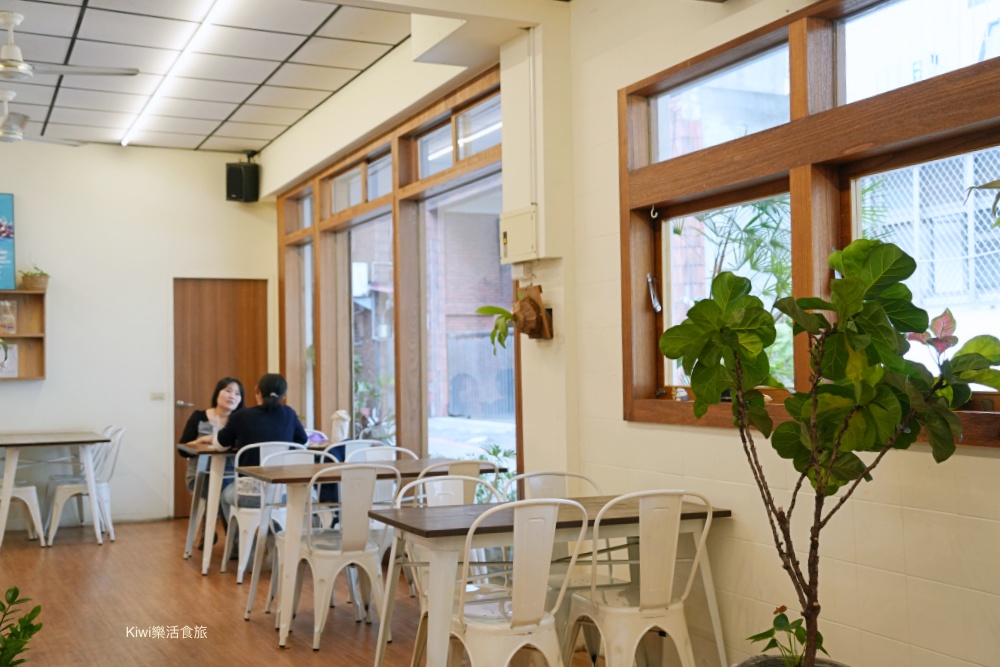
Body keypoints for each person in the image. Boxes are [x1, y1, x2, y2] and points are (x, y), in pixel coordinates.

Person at [216, 373, 307, 519]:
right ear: (283, 396)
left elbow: (220, 445)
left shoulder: (241, 416)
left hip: (248, 493)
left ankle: (238, 540)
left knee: (225, 497)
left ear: (257, 390)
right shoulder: (289, 414)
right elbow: (303, 442)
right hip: (282, 492)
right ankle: (274, 534)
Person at [179, 376, 245, 494]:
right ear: (217, 393)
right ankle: (222, 512)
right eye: (228, 391)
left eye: (237, 393)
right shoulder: (199, 416)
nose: (232, 396)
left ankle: (220, 512)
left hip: (231, 475)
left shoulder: (242, 420)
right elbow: (182, 450)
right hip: (200, 474)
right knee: (221, 491)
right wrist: (200, 441)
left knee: (228, 490)